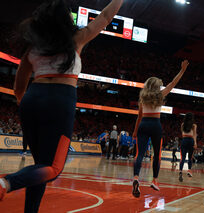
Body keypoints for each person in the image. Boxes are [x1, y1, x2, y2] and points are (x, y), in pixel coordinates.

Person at [0, 0, 124, 211]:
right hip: (59, 99)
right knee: (53, 168)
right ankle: (5, 183)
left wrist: (27, 106)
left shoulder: (33, 48)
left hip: (31, 99)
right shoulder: (75, 39)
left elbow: (18, 86)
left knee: (41, 166)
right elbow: (104, 17)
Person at [132, 60, 189, 198]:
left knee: (139, 154)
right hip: (155, 125)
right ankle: (155, 180)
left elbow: (139, 117)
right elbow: (173, 83)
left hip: (143, 124)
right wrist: (182, 70)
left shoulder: (142, 98)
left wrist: (134, 131)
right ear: (157, 86)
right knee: (156, 154)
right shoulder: (160, 95)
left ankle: (135, 178)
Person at [178, 113, 197, 182]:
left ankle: (180, 171)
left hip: (184, 140)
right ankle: (189, 170)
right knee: (190, 157)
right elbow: (194, 135)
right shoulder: (194, 125)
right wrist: (195, 143)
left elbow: (182, 133)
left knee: (182, 157)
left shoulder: (183, 124)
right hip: (191, 140)